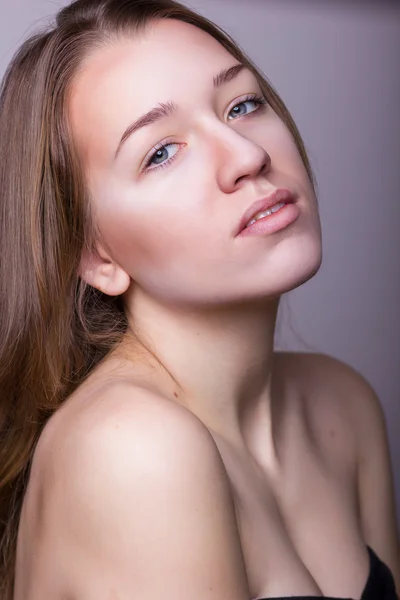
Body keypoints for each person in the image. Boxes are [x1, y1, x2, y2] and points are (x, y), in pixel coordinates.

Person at [0, 0, 398, 598]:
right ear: (97, 256)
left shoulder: (342, 405)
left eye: (243, 105)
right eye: (161, 152)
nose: (248, 156)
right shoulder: (131, 449)